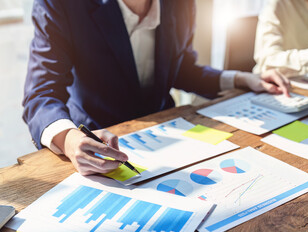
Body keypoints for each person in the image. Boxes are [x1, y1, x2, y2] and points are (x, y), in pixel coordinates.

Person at [23, 0, 290, 176]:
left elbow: (182, 69)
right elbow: (40, 94)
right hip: (97, 144)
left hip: (168, 137)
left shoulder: (181, 4)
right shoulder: (60, 4)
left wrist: (241, 79)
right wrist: (69, 139)